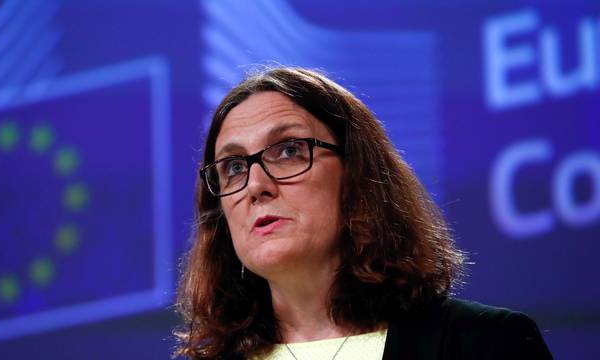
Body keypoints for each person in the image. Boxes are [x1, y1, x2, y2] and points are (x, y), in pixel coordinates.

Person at [175, 67, 552, 359]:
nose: (256, 184)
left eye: (288, 150)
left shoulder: (486, 345)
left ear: (358, 173)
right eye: (234, 167)